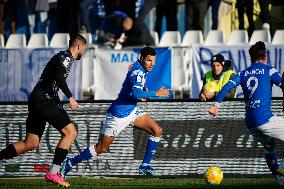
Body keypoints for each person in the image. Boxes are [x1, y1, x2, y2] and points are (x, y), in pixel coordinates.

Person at [60, 47, 169, 178]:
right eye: (149, 60)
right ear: (142, 59)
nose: (152, 63)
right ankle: (70, 162)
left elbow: (134, 89)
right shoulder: (138, 72)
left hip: (131, 110)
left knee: (157, 130)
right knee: (101, 148)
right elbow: (136, 92)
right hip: (118, 114)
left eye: (153, 61)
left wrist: (143, 92)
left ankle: (145, 165)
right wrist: (156, 93)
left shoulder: (138, 66)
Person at [0, 34, 87, 187]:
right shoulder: (66, 58)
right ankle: (53, 172)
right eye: (84, 48)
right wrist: (71, 97)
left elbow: (53, 80)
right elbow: (59, 78)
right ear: (79, 46)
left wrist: (58, 102)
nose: (83, 52)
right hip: (43, 99)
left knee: (31, 143)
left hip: (37, 98)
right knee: (70, 132)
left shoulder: (61, 57)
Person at [207, 41, 284, 185]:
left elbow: (227, 86)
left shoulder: (243, 73)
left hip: (251, 124)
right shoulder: (270, 70)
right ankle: (282, 169)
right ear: (265, 56)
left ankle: (279, 180)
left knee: (270, 146)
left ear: (251, 57)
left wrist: (216, 105)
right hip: (265, 119)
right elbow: (282, 84)